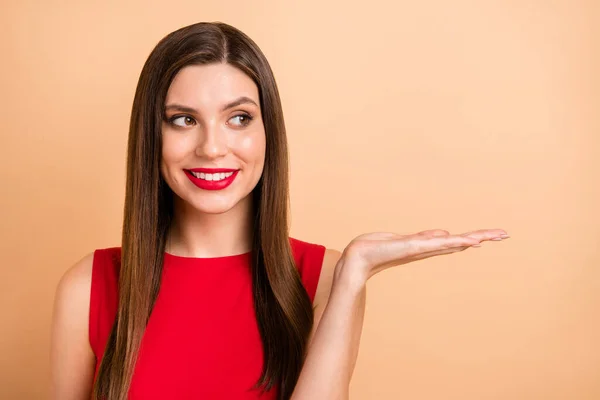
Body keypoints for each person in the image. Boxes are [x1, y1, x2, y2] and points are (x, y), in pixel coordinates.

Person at [50, 21, 508, 400]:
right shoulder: (88, 288)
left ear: (269, 133)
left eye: (239, 118)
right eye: (184, 119)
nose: (212, 147)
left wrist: (352, 275)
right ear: (152, 135)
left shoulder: (323, 277)